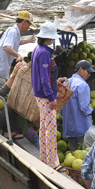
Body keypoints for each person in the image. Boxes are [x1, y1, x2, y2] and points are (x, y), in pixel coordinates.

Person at [30, 21, 64, 171]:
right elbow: (45, 78)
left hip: (40, 93)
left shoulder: (38, 49)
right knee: (50, 128)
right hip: (45, 95)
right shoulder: (44, 53)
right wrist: (51, 97)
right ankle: (53, 162)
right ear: (49, 38)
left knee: (45, 126)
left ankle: (44, 158)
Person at [0, 11, 36, 88]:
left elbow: (17, 42)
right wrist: (18, 55)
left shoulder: (15, 32)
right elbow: (6, 47)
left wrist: (28, 40)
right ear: (24, 22)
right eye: (29, 24)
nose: (29, 27)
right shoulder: (13, 32)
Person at [61, 60, 95, 151]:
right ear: (80, 69)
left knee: (74, 154)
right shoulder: (82, 85)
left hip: (69, 126)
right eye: (88, 71)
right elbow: (84, 108)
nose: (89, 75)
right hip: (81, 127)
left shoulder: (65, 83)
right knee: (84, 153)